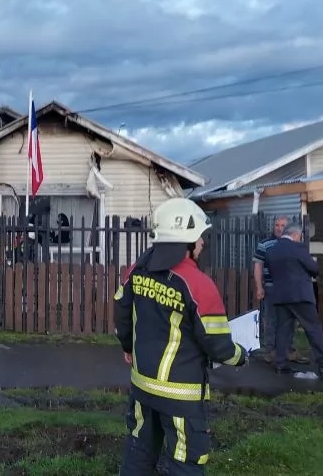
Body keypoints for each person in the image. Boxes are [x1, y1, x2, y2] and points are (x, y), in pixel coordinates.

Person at [114, 198, 247, 476]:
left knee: (139, 454)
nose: (203, 243)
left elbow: (122, 313)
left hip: (142, 387)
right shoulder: (198, 284)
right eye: (200, 237)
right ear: (187, 240)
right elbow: (218, 344)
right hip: (181, 396)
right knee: (185, 463)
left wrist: (128, 347)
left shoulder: (138, 269)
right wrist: (241, 355)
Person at [267, 223, 323, 375]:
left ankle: (280, 364)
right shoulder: (298, 248)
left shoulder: (272, 250)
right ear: (296, 235)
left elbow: (272, 271)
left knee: (283, 330)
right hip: (300, 295)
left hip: (280, 296)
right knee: (313, 328)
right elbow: (314, 269)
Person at [253, 216, 309, 365]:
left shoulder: (295, 244)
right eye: (277, 225)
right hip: (271, 287)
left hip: (290, 289)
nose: (279, 228)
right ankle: (270, 351)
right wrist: (259, 287)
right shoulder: (265, 244)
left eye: (282, 225)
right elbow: (258, 266)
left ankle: (288, 351)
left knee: (290, 321)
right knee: (271, 320)